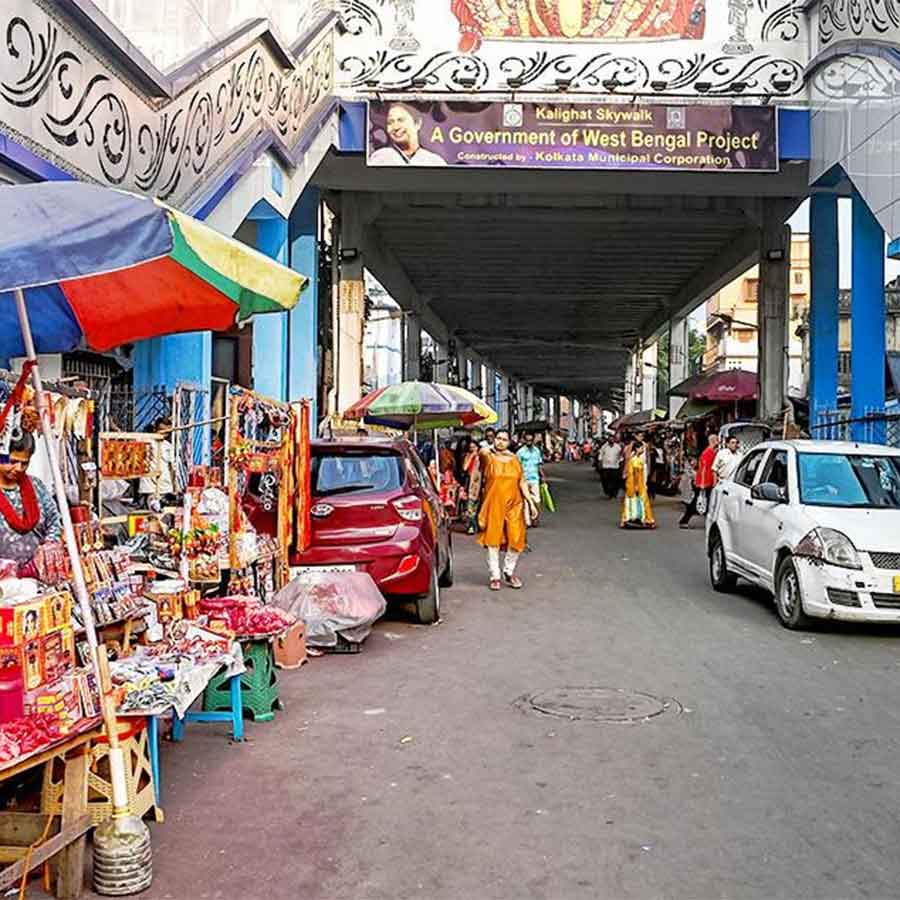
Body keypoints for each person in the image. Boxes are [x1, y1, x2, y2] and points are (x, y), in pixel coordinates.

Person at [477, 430, 537, 590]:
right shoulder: (489, 457)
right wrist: (491, 447)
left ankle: (509, 571)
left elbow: (522, 481)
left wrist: (530, 502)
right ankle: (495, 575)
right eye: (498, 438)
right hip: (494, 503)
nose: (500, 442)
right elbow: (482, 452)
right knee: (493, 540)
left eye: (504, 439)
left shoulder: (515, 459)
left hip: (514, 504)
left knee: (517, 538)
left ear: (509, 442)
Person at [0, 432, 62, 569]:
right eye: (12, 461)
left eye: (24, 463)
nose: (18, 468)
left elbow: (54, 520)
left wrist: (49, 546)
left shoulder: (36, 486)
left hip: (38, 571)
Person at [369, 102, 448, 167]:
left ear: (417, 123)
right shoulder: (380, 157)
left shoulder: (435, 161)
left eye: (401, 120)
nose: (395, 127)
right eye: (390, 122)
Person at [679, 433, 719, 528]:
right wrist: (702, 483)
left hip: (706, 481)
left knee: (705, 501)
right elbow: (704, 469)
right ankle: (684, 520)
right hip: (704, 482)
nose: (718, 442)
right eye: (717, 440)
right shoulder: (708, 453)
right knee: (697, 502)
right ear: (713, 441)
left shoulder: (711, 452)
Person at [620, 432, 656, 529]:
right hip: (634, 481)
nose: (641, 437)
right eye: (639, 435)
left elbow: (648, 460)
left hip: (641, 477)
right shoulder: (632, 454)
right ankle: (635, 517)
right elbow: (627, 463)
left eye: (642, 435)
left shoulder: (645, 446)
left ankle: (640, 517)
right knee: (636, 498)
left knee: (639, 498)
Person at [516, 432, 544, 527]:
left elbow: (539, 464)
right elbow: (517, 467)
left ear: (533, 441)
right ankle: (527, 521)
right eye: (527, 440)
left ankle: (535, 518)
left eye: (531, 440)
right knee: (525, 500)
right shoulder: (520, 452)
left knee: (537, 500)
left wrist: (542, 477)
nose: (529, 442)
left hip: (534, 479)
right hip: (524, 480)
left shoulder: (536, 451)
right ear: (524, 440)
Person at [598, 434, 623, 500]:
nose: (611, 440)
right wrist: (600, 463)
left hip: (615, 467)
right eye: (610, 439)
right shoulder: (604, 447)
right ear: (608, 440)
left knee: (615, 481)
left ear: (614, 439)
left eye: (612, 439)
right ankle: (608, 492)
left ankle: (614, 493)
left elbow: (620, 456)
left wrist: (621, 463)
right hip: (606, 467)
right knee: (606, 481)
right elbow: (600, 455)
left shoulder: (618, 447)